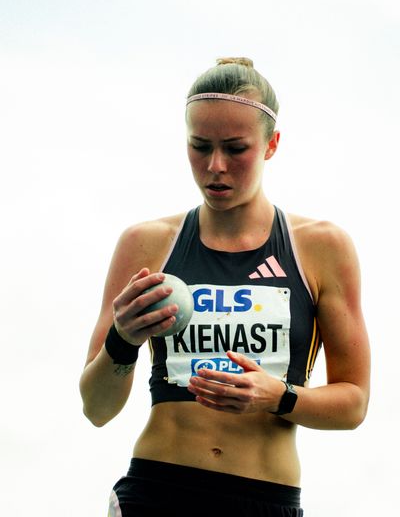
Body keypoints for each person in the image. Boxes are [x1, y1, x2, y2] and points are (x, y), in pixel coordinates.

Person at [79, 57, 370, 516]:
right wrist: (123, 339)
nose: (215, 166)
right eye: (200, 146)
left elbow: (353, 403)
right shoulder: (147, 243)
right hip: (156, 490)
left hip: (264, 498)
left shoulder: (321, 247)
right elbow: (96, 409)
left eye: (236, 149)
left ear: (271, 144)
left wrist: (279, 397)